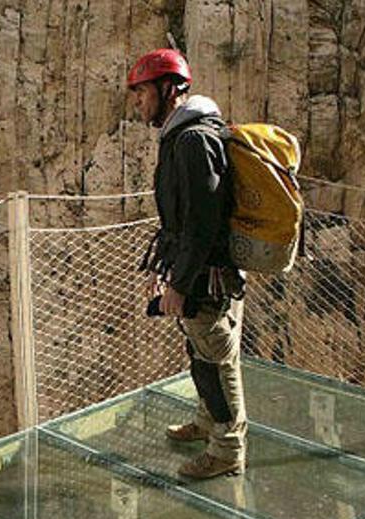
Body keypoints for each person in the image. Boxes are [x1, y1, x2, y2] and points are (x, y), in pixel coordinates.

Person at [128, 48, 248, 479]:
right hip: (197, 269)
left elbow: (202, 221)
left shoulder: (195, 140)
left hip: (207, 273)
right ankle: (205, 422)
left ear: (168, 89)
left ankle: (228, 449)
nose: (138, 102)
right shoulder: (182, 136)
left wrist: (178, 283)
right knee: (199, 346)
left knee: (216, 357)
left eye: (142, 92)